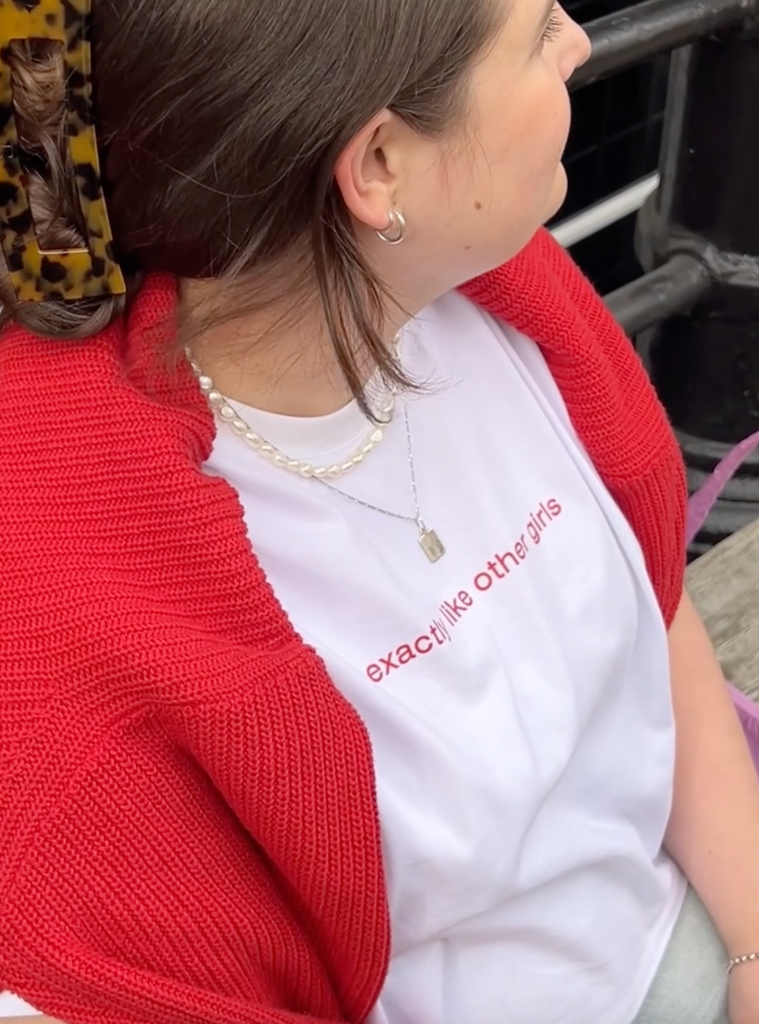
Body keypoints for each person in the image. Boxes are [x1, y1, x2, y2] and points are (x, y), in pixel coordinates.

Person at [1, 0, 759, 1021]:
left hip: (686, 919)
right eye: (538, 32)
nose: (582, 41)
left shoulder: (482, 279)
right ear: (381, 167)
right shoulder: (80, 634)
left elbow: (655, 595)